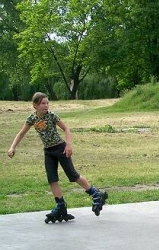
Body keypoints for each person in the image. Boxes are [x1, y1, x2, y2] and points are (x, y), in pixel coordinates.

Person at [7, 92, 107, 222]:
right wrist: (12, 147)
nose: (46, 105)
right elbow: (21, 134)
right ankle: (60, 205)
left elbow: (66, 129)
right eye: (43, 103)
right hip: (48, 152)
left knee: (72, 175)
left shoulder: (52, 115)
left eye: (47, 103)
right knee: (52, 179)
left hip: (60, 148)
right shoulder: (32, 119)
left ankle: (95, 194)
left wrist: (69, 145)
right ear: (35, 105)